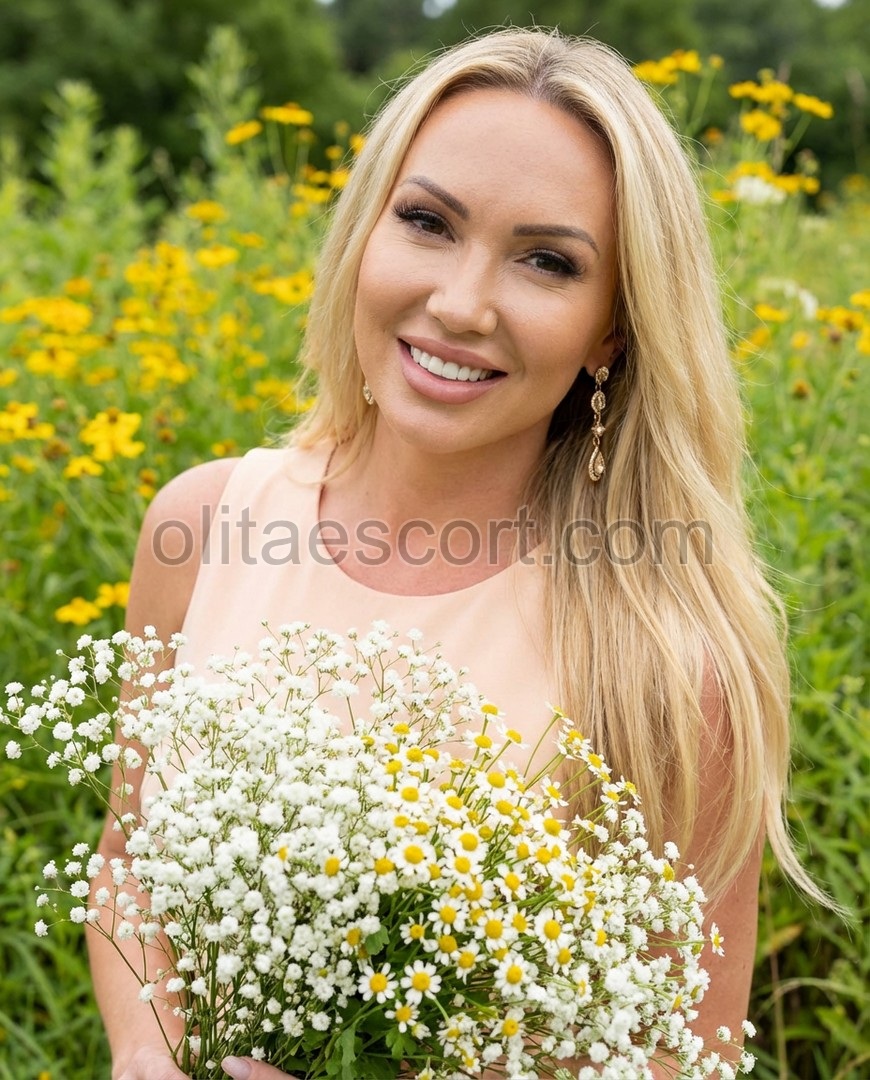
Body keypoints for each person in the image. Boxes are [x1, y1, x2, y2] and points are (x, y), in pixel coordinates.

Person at [88, 26, 819, 1080]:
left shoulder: (666, 657)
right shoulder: (201, 528)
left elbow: (685, 1050)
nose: (462, 304)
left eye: (547, 261)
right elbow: (129, 869)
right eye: (428, 222)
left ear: (612, 330)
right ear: (363, 233)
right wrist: (149, 1057)